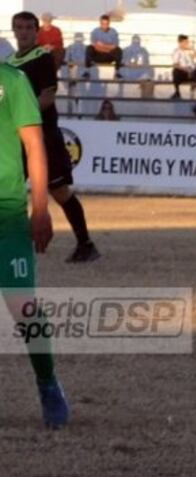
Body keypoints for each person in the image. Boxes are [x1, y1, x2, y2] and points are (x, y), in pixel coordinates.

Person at [0, 60, 71, 428]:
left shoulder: (11, 80)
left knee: (23, 307)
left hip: (6, 213)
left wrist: (41, 208)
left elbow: (33, 144)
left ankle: (47, 383)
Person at [9, 12, 99, 263]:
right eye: (19, 27)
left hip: (43, 137)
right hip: (16, 138)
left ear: (36, 31)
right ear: (13, 30)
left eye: (28, 27)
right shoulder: (9, 63)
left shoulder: (42, 57)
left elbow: (48, 95)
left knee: (59, 191)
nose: (24, 31)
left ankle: (85, 243)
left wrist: (22, 118)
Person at [172, 35, 196, 100]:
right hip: (184, 73)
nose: (187, 44)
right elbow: (175, 64)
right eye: (185, 42)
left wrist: (193, 49)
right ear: (180, 42)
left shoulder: (190, 50)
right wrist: (186, 70)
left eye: (187, 42)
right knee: (175, 71)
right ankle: (177, 92)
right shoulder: (177, 51)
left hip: (194, 72)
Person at [84, 14, 122, 78]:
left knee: (119, 51)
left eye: (106, 24)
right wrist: (107, 47)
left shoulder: (113, 32)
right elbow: (94, 45)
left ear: (109, 23)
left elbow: (115, 46)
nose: (104, 26)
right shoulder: (95, 31)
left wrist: (103, 45)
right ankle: (87, 71)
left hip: (109, 56)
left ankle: (117, 72)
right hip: (98, 55)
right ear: (100, 23)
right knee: (89, 48)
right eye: (103, 24)